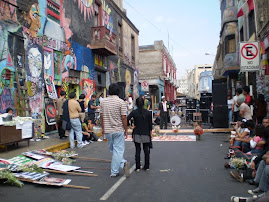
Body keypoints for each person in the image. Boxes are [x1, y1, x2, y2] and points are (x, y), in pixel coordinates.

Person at [100, 83, 130, 178]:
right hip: (118, 129)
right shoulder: (121, 102)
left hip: (108, 130)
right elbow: (124, 117)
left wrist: (103, 128)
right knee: (118, 150)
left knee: (113, 149)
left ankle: (121, 164)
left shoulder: (103, 102)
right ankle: (116, 169)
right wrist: (126, 129)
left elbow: (101, 116)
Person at [127, 97, 152, 172]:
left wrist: (130, 126)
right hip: (146, 133)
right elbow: (150, 125)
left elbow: (127, 118)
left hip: (137, 132)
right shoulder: (148, 113)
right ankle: (146, 166)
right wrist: (150, 133)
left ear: (136, 104)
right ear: (144, 103)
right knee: (146, 150)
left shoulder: (134, 112)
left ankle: (137, 167)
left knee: (138, 150)